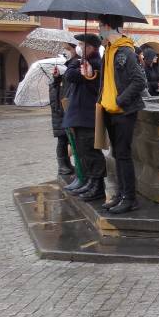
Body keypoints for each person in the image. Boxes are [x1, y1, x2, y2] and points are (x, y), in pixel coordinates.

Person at [83, 14, 146, 214]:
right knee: (117, 155)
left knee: (124, 156)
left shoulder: (125, 51)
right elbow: (108, 79)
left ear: (108, 26)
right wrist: (91, 75)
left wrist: (120, 100)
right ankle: (120, 194)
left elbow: (139, 81)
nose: (98, 30)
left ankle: (130, 198)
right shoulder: (108, 51)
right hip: (109, 110)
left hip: (123, 112)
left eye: (99, 26)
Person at [62, 34, 107, 200]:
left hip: (88, 115)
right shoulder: (82, 62)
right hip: (80, 115)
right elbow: (70, 75)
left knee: (91, 151)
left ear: (91, 47)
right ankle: (89, 181)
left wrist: (78, 65)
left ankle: (97, 186)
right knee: (82, 151)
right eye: (79, 44)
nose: (79, 47)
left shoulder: (95, 64)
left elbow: (71, 75)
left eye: (82, 44)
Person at [49, 45, 75, 176]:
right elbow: (56, 94)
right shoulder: (61, 74)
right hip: (60, 111)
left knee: (65, 139)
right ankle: (63, 166)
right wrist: (57, 78)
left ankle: (66, 164)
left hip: (61, 110)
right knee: (62, 139)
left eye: (69, 49)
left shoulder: (64, 72)